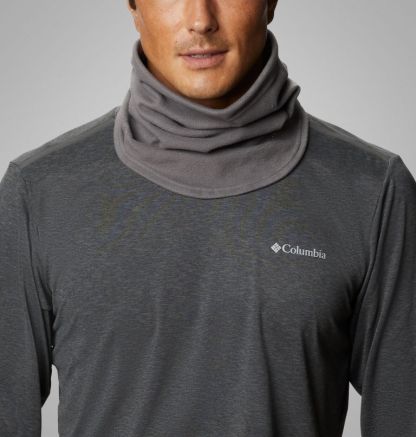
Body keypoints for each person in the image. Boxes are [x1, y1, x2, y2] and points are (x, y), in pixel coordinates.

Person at [1, 0, 415, 435]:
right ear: (133, 6)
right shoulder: (37, 192)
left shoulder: (375, 191)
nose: (201, 19)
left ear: (271, 3)